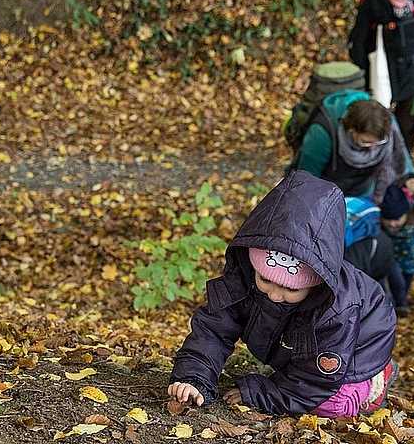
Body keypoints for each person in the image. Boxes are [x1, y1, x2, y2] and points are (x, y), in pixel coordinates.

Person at [168, 170, 398, 418]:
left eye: (291, 288)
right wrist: (194, 376)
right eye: (265, 279)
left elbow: (314, 382)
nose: (275, 295)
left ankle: (377, 379)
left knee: (332, 406)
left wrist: (261, 392)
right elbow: (213, 328)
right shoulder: (245, 277)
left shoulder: (336, 311)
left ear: (316, 284)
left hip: (356, 348)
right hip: (299, 348)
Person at [293, 89, 414, 283]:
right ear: (351, 131)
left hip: (365, 193)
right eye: (366, 143)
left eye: (378, 142)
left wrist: (410, 177)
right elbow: (306, 180)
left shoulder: (385, 121)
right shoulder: (322, 133)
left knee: (365, 244)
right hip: (327, 197)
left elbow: (400, 151)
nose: (373, 149)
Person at [348, 0, 414, 151]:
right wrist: (364, 80)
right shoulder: (373, 3)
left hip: (413, 72)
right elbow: (358, 42)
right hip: (381, 74)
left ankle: (402, 158)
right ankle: (378, 157)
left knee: (408, 122)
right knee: (377, 120)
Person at [380, 184, 414, 316]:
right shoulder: (381, 226)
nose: (393, 224)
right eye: (388, 220)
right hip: (394, 259)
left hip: (412, 260)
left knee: (407, 281)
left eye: (397, 219)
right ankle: (399, 304)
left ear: (405, 213)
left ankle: (403, 299)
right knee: (396, 281)